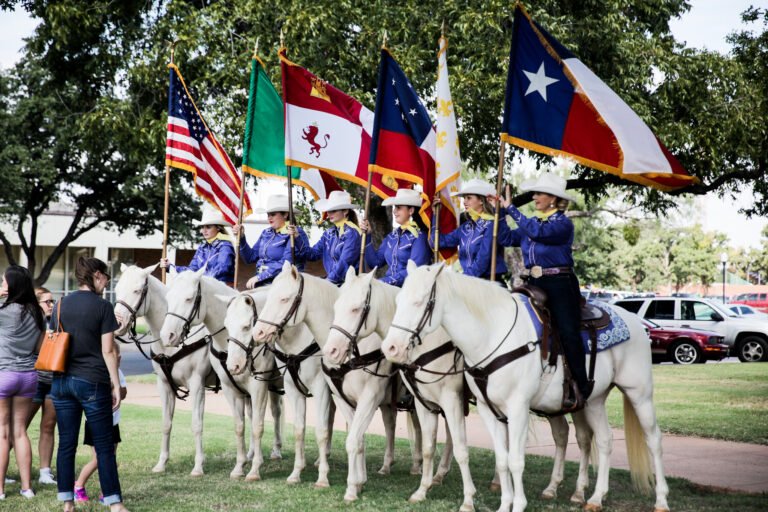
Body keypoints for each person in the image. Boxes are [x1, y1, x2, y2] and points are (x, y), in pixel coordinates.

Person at [492, 172, 591, 411]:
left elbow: (537, 234)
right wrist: (502, 213)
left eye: (539, 193)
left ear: (554, 199)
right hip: (533, 283)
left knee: (568, 331)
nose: (534, 197)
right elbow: (505, 237)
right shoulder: (532, 223)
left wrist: (512, 208)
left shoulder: (562, 224)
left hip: (560, 283)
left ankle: (581, 385)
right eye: (534, 193)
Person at [50, 257, 128, 512]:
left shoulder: (59, 304)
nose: (106, 282)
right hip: (93, 381)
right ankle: (114, 504)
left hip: (61, 382)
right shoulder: (103, 306)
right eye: (105, 276)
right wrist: (115, 385)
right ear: (96, 275)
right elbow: (108, 351)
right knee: (104, 446)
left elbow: (54, 339)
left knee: (66, 444)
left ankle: (67, 504)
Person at [0, 266, 46, 500]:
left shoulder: (3, 309)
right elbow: (39, 349)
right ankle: (27, 487)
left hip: (4, 374)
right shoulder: (37, 313)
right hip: (29, 376)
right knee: (20, 432)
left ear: (12, 285)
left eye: (3, 281)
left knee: (2, 432)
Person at [74, 344, 126, 504]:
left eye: (116, 357)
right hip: (95, 423)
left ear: (119, 359)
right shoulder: (97, 373)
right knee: (98, 459)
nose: (113, 360)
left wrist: (116, 384)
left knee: (111, 459)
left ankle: (107, 492)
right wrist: (108, 384)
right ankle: (78, 486)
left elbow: (123, 394)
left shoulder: (119, 374)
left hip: (113, 424)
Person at [431, 178, 509, 280]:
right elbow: (436, 243)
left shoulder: (491, 224)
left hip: (489, 283)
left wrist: (462, 279)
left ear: (481, 200)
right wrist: (435, 216)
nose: (464, 202)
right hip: (469, 282)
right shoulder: (464, 228)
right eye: (464, 198)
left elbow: (483, 260)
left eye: (469, 198)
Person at [233, 194, 310, 289]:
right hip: (261, 283)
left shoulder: (295, 233)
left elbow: (286, 263)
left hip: (284, 285)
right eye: (268, 214)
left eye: (273, 214)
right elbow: (250, 258)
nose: (269, 217)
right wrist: (241, 238)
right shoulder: (266, 233)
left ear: (285, 214)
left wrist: (260, 277)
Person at [360, 188, 431, 287]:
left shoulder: (420, 237)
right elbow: (375, 262)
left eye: (398, 207)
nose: (394, 211)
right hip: (390, 289)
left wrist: (385, 282)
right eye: (394, 207)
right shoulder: (391, 237)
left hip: (410, 292)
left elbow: (415, 270)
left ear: (410, 210)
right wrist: (368, 235)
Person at [25, 287, 57, 486]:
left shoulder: (57, 322)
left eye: (52, 301)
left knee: (48, 426)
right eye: (47, 302)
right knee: (20, 427)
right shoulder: (29, 323)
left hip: (53, 381)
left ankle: (45, 471)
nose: (51, 305)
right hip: (34, 380)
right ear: (36, 304)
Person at [297, 190, 362, 285]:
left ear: (345, 211)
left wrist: (328, 282)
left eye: (333, 210)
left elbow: (344, 263)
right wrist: (297, 237)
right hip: (332, 283)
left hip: (349, 285)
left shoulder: (352, 233)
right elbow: (312, 254)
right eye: (328, 210)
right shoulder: (328, 233)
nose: (329, 214)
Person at [159, 207, 235, 285]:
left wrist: (199, 278)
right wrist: (170, 267)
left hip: (222, 290)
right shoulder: (202, 247)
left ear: (218, 228)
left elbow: (222, 269)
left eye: (208, 227)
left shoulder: (225, 246)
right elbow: (192, 270)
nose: (203, 231)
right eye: (202, 227)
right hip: (204, 288)